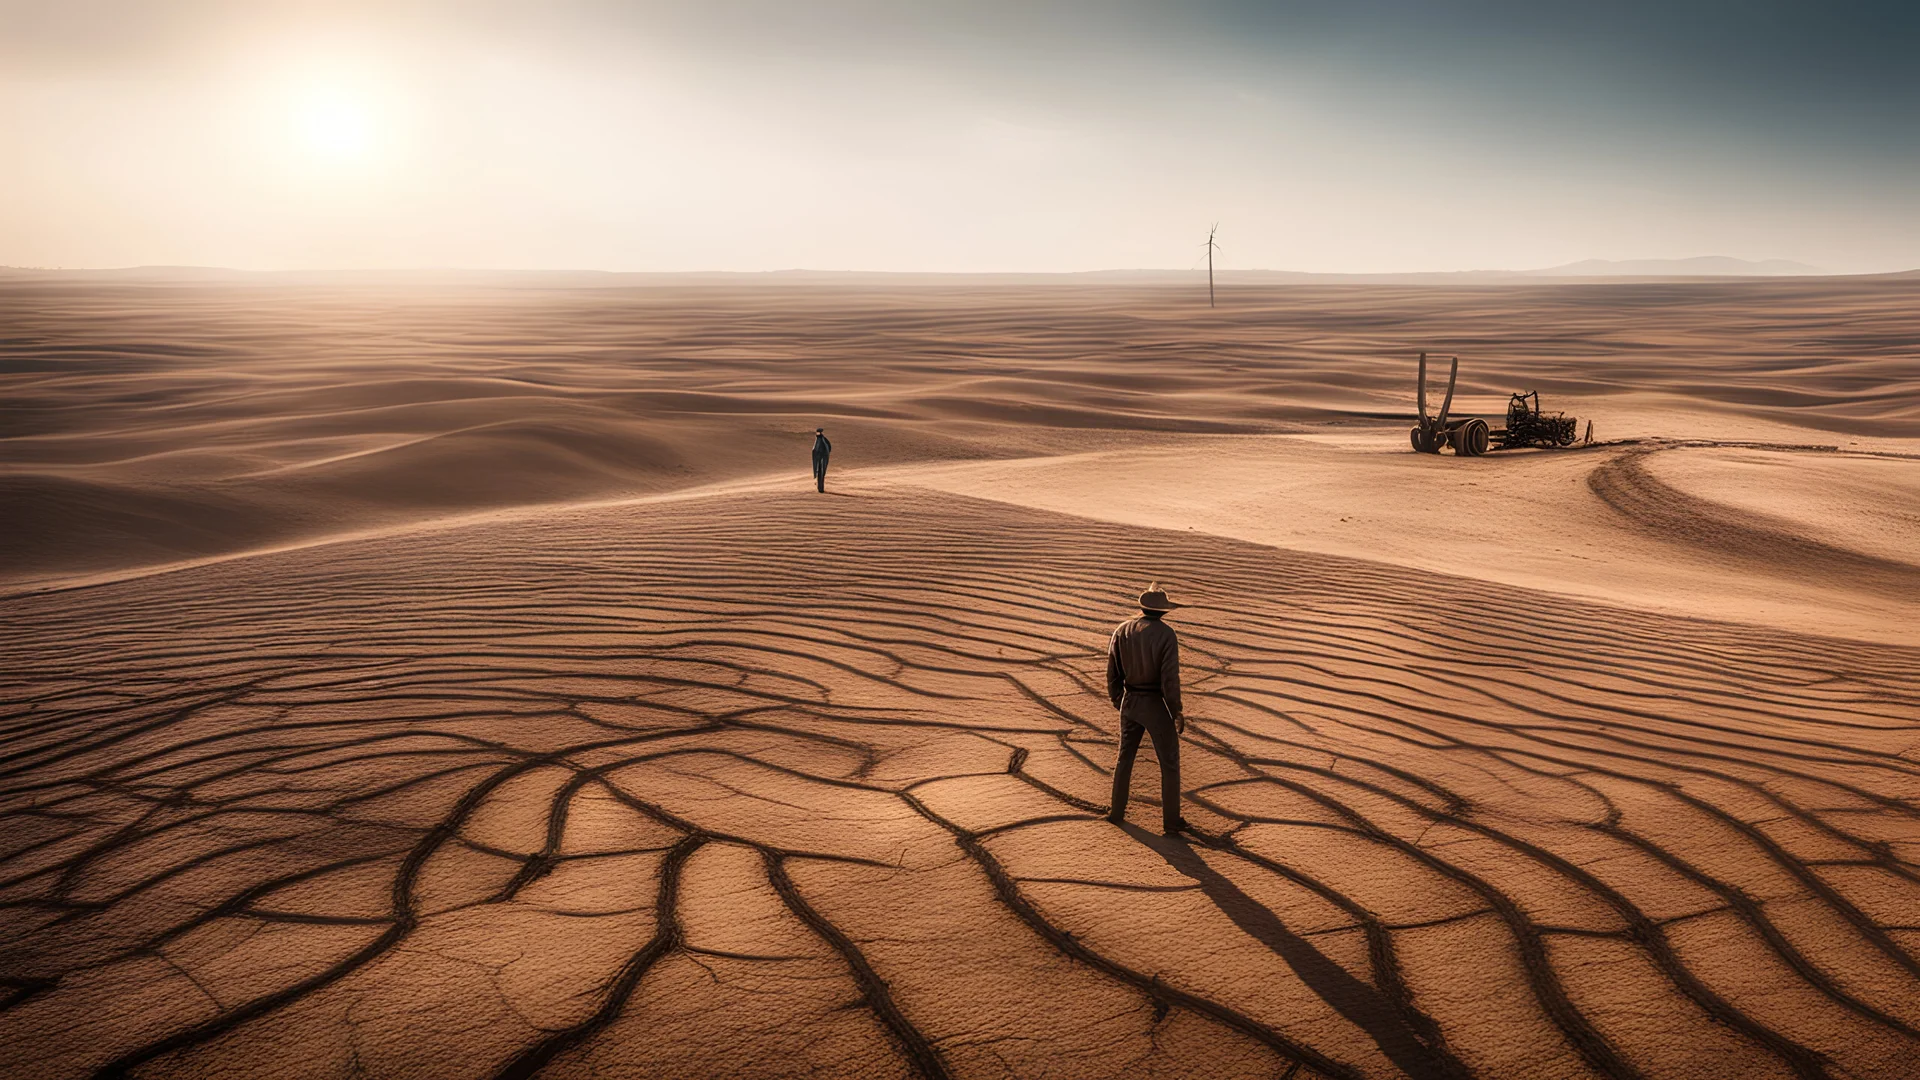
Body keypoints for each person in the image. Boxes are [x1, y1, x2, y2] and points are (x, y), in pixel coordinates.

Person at [1106, 583, 1193, 835]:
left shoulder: (1122, 630)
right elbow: (1169, 679)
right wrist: (1176, 710)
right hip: (1154, 703)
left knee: (1124, 759)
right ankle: (1171, 821)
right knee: (1169, 762)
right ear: (1163, 611)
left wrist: (1119, 700)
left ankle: (1116, 812)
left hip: (1130, 701)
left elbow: (1112, 671)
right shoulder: (1167, 635)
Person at [811, 427, 832, 493]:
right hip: (819, 459)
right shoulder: (820, 440)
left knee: (821, 473)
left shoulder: (822, 440)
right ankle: (820, 488)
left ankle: (821, 488)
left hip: (822, 459)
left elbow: (828, 448)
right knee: (819, 473)